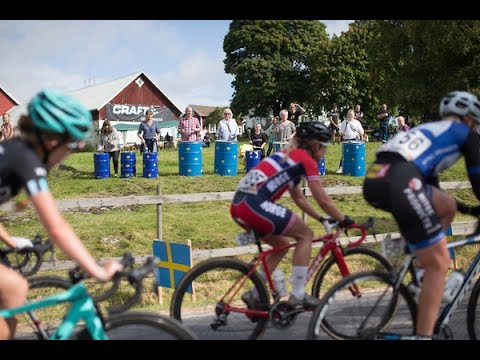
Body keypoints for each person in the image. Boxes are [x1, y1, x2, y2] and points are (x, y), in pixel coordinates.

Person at [0, 88, 123, 339]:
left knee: (13, 292)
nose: (70, 153)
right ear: (51, 142)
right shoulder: (26, 161)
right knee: (14, 288)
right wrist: (98, 271)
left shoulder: (15, 151)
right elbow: (56, 227)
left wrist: (10, 241)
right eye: (71, 146)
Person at [363, 90, 480, 339]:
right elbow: (478, 178)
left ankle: (421, 274)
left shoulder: (431, 131)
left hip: (376, 178)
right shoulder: (464, 132)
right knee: (440, 262)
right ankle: (424, 335)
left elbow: (434, 192)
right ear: (470, 118)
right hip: (401, 180)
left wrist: (468, 209)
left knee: (446, 205)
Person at [231, 121, 354, 309]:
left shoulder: (288, 158)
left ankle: (254, 294)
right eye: (325, 148)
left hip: (240, 205)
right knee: (305, 235)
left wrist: (321, 218)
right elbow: (322, 198)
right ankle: (298, 294)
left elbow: (299, 198)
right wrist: (342, 218)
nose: (325, 153)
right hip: (255, 204)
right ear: (315, 146)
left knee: (282, 245)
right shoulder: (305, 160)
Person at [336, 109, 365, 174]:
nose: (350, 116)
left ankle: (354, 169)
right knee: (344, 155)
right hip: (346, 141)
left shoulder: (357, 122)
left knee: (355, 155)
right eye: (349, 114)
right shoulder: (344, 122)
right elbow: (340, 131)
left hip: (355, 140)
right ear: (347, 115)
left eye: (351, 114)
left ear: (354, 115)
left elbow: (361, 131)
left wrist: (362, 138)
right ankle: (341, 168)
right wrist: (341, 133)